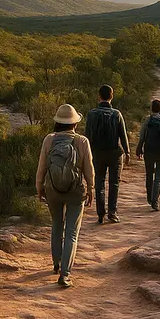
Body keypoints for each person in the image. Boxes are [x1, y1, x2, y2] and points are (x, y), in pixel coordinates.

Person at [36, 104, 94, 288]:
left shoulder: (49, 140)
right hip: (76, 191)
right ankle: (65, 274)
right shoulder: (82, 141)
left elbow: (42, 166)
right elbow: (89, 168)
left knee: (56, 225)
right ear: (75, 123)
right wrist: (91, 187)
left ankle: (56, 262)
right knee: (71, 233)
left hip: (52, 189)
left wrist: (39, 186)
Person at [85, 84, 130, 224]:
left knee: (99, 182)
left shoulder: (91, 114)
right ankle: (112, 212)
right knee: (114, 183)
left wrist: (87, 154)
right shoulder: (117, 114)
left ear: (99, 96)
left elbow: (87, 136)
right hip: (115, 153)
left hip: (97, 153)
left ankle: (100, 213)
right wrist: (127, 151)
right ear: (112, 96)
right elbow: (123, 135)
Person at [136, 98, 160, 211]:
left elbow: (142, 136)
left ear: (151, 108)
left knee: (149, 175)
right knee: (159, 177)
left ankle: (149, 197)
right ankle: (155, 200)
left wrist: (139, 150)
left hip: (149, 151)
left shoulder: (147, 121)